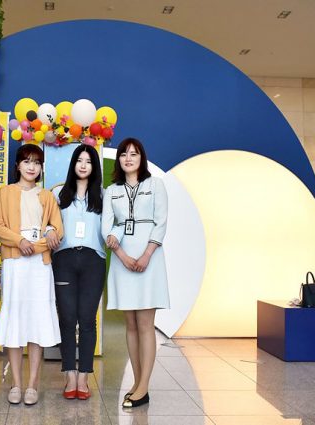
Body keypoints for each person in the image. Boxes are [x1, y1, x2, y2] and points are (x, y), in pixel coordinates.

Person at [0, 143, 64, 406]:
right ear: (18, 166)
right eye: (27, 161)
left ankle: (32, 384)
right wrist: (19, 241)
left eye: (36, 162)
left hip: (39, 265)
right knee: (15, 319)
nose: (32, 167)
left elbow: (58, 230)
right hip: (15, 263)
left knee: (37, 320)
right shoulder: (5, 193)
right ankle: (16, 384)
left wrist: (38, 245)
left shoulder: (47, 197)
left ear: (41, 167)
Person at [102, 137, 170, 408]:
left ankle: (143, 386)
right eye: (124, 154)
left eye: (134, 154)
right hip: (122, 260)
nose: (128, 158)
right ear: (119, 159)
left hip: (149, 259)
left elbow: (161, 222)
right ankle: (138, 382)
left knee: (145, 324)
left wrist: (146, 255)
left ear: (142, 158)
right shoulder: (112, 191)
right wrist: (122, 255)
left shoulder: (155, 185)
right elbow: (107, 226)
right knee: (130, 324)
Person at [51, 144, 105, 401]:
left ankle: (83, 377)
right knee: (67, 318)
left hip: (94, 260)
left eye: (89, 161)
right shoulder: (58, 194)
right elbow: (48, 223)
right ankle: (69, 375)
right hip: (64, 259)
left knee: (87, 320)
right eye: (79, 160)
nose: (83, 165)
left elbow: (113, 226)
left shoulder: (103, 196)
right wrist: (49, 232)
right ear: (73, 164)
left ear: (94, 167)